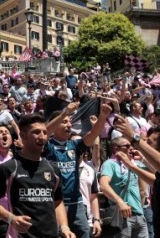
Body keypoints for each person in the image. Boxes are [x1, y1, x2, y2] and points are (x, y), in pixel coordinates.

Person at [0, 114, 74, 238]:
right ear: (22, 136)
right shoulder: (8, 168)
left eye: (44, 132)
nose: (42, 136)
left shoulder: (53, 169)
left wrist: (64, 226)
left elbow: (58, 202)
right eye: (36, 132)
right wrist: (12, 219)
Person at [44, 101, 110, 238]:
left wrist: (103, 116)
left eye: (69, 122)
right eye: (64, 122)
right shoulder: (47, 146)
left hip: (77, 203)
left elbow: (93, 134)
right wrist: (64, 113)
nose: (69, 124)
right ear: (55, 125)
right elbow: (43, 134)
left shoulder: (74, 145)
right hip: (53, 204)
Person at [99, 134, 149, 238]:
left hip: (139, 215)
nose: (131, 148)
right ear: (116, 149)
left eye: (132, 146)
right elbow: (103, 185)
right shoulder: (110, 164)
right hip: (122, 216)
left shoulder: (135, 164)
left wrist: (142, 159)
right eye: (127, 146)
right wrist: (120, 201)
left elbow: (143, 189)